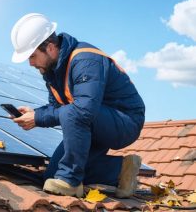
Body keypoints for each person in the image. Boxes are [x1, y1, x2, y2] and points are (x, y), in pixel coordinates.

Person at [10, 13, 145, 198]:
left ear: (50, 47)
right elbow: (59, 109)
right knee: (53, 174)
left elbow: (83, 109)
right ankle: (121, 170)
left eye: (32, 56)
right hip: (93, 121)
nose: (30, 63)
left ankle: (71, 182)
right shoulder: (52, 71)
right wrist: (36, 114)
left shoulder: (85, 60)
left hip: (125, 121)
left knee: (74, 114)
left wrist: (38, 118)